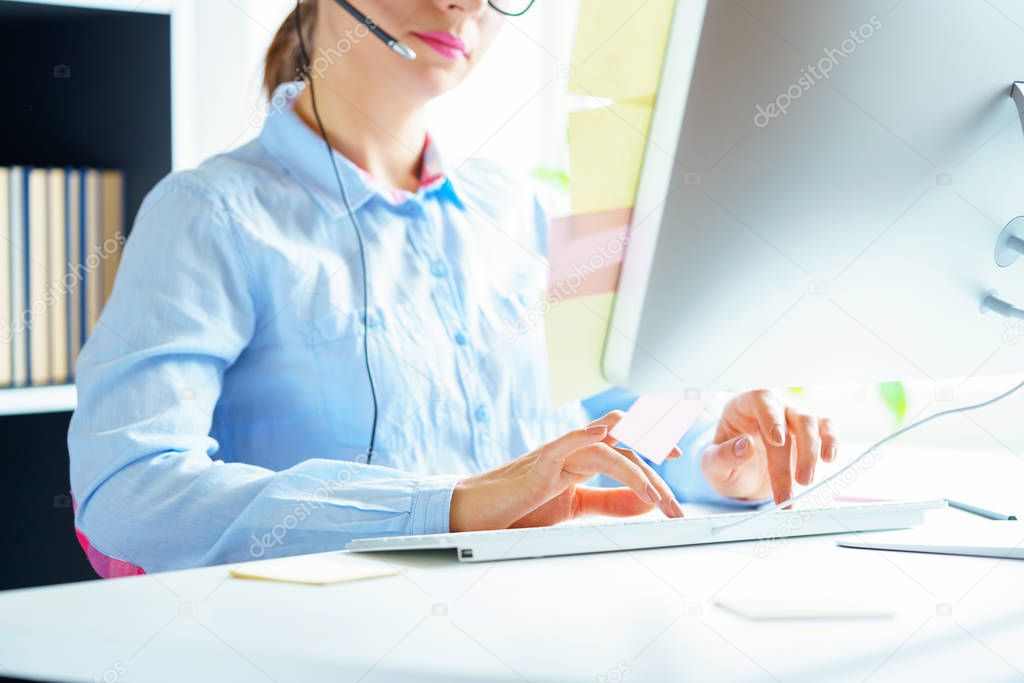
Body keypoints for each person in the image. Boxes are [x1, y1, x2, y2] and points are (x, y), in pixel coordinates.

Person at [67, 0, 839, 576]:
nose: (467, 0)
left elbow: (621, 423)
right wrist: (451, 506)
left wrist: (716, 451)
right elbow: (127, 492)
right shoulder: (204, 215)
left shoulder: (531, 209)